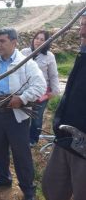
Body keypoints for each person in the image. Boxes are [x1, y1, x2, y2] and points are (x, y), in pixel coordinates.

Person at [0, 28, 46, 200]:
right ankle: (3, 178)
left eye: (2, 41)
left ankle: (28, 188)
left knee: (21, 153)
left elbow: (40, 85)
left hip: (16, 115)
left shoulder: (26, 63)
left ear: (14, 42)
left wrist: (23, 98)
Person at [42, 11, 86, 200]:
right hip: (65, 138)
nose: (81, 31)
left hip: (83, 146)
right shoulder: (81, 56)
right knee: (52, 188)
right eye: (82, 24)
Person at [21, 30, 60, 147]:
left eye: (42, 39)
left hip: (42, 93)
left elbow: (53, 75)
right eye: (37, 38)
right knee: (23, 115)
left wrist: (54, 91)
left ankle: (33, 139)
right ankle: (22, 137)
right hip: (25, 90)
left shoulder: (49, 56)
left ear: (46, 42)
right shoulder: (24, 52)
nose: (38, 41)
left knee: (37, 117)